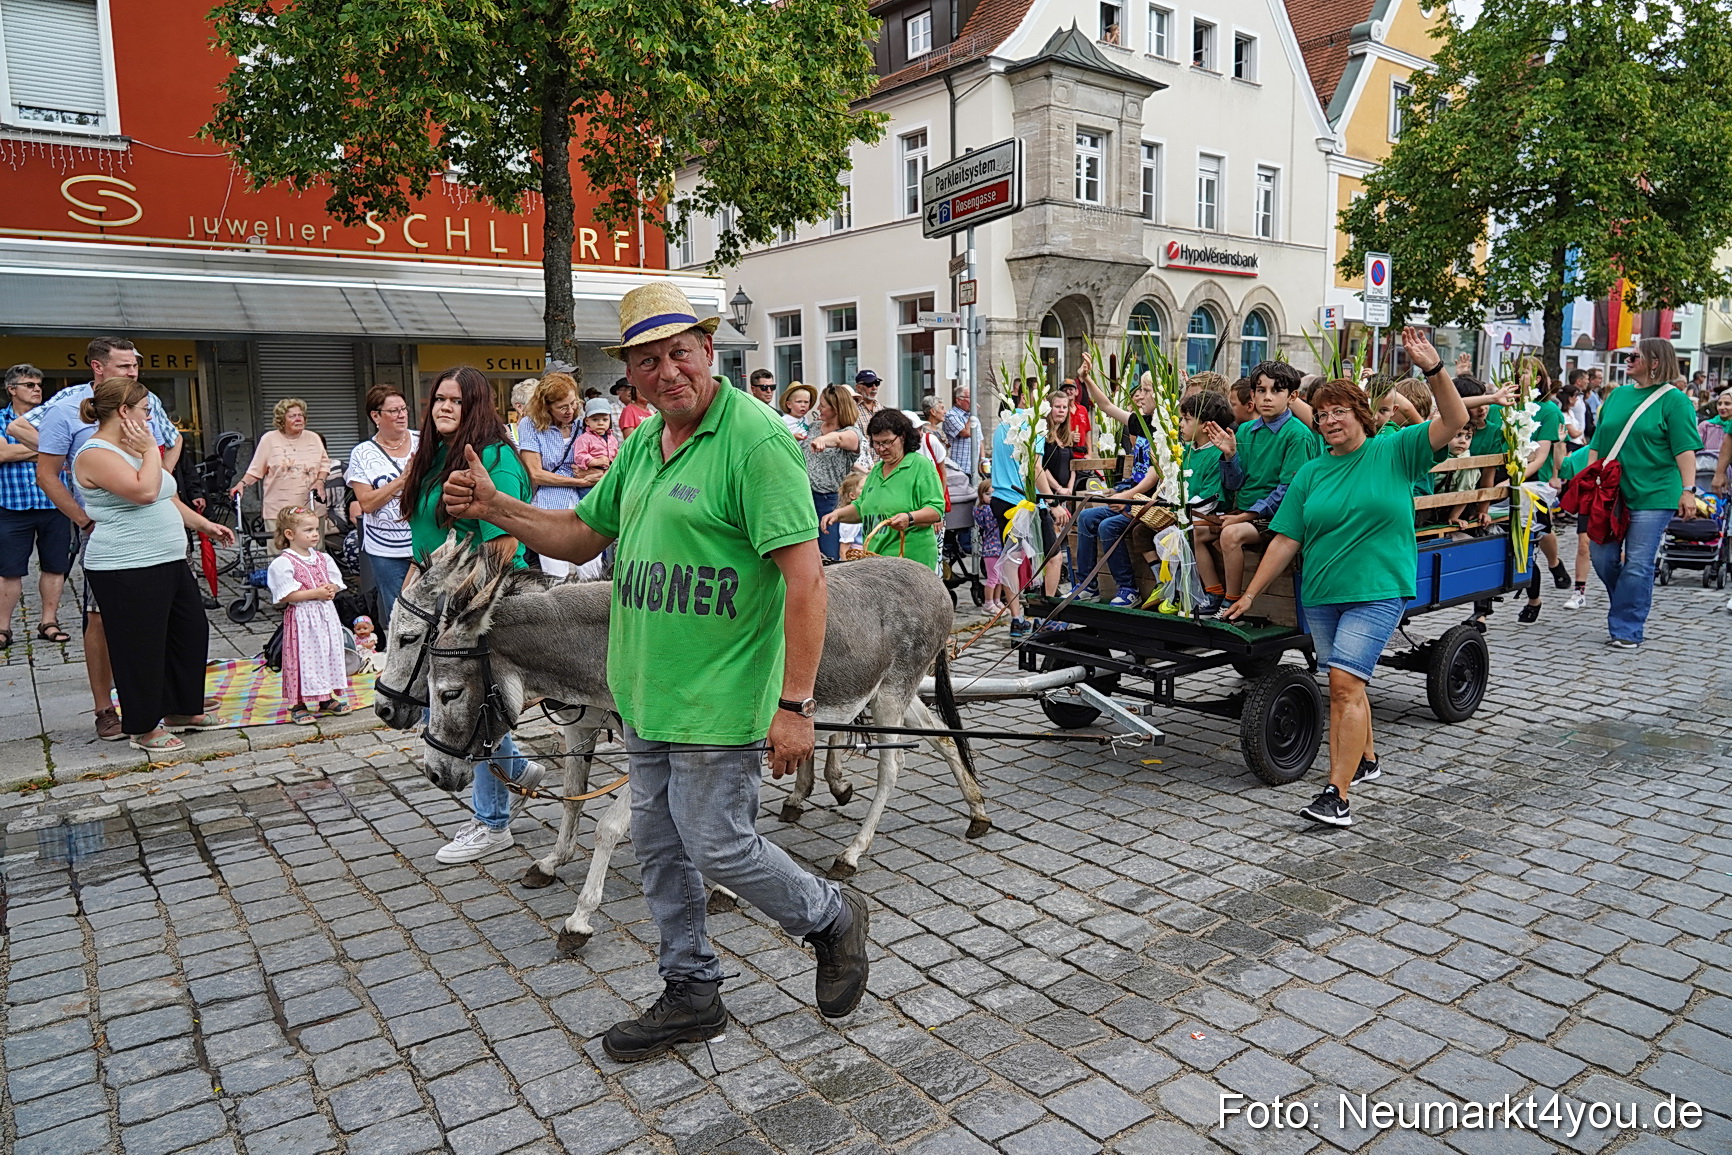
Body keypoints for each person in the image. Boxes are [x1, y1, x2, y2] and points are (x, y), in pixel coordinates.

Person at [440, 281, 868, 1061]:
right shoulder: (642, 445)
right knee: (662, 850)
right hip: (643, 689)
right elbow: (578, 534)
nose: (667, 370)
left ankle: (830, 915)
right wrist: (498, 506)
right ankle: (691, 989)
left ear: (709, 350)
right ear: (631, 373)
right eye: (648, 360)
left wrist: (796, 704)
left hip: (719, 693)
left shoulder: (755, 443)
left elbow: (806, 580)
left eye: (680, 352)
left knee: (719, 845)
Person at [1226, 329, 1468, 827]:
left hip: (1378, 589)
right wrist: (1249, 594)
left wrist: (1434, 369)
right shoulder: (1312, 473)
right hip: (1322, 593)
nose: (1331, 419)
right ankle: (1368, 758)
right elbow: (1286, 539)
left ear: (1361, 414)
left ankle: (1336, 796)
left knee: (1341, 684)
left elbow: (1455, 420)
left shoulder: (1395, 451)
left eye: (1340, 410)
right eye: (1322, 414)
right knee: (1347, 682)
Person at [8, 338, 185, 741]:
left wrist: (161, 477)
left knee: (166, 613)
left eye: (135, 365)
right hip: (105, 523)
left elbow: (172, 440)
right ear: (98, 367)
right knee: (101, 618)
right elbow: (31, 448)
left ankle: (170, 697)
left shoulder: (146, 398)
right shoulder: (67, 403)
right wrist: (83, 516)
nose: (133, 372)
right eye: (124, 366)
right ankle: (105, 708)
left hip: (152, 520)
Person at [402, 365, 543, 862]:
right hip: (437, 602)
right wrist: (410, 605)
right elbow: (424, 543)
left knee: (467, 710)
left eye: (456, 401)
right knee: (431, 703)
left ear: (477, 406)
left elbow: (503, 548)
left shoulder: (494, 459)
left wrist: (461, 616)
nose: (444, 407)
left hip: (483, 605)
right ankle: (518, 769)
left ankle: (492, 823)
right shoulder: (435, 454)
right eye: (439, 398)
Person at [72, 378, 232, 756]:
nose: (150, 418)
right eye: (145, 410)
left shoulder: (135, 448)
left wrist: (203, 524)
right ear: (124, 411)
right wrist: (149, 451)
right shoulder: (95, 453)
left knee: (189, 632)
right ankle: (143, 726)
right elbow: (144, 492)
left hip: (168, 557)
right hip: (126, 565)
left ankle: (182, 708)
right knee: (140, 646)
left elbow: (165, 495)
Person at [1586, 339, 1700, 647]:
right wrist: (1591, 478)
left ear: (1655, 362)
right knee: (1602, 556)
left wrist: (1688, 490)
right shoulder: (1617, 395)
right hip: (1612, 493)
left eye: (1635, 355)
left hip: (1656, 493)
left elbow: (1685, 450)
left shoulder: (1675, 401)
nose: (1628, 359)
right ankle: (1628, 601)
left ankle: (1627, 629)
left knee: (1638, 562)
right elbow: (1597, 442)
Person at [1198, 361, 1319, 612]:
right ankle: (1211, 593)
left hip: (1277, 519)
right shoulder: (1244, 431)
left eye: (1276, 391)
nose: (1267, 397)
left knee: (1231, 534)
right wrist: (1230, 456)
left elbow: (1288, 492)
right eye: (1261, 390)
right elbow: (1234, 483)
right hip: (1245, 512)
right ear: (1252, 395)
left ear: (1292, 396)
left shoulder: (1297, 435)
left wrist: (1246, 516)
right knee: (1193, 529)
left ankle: (1231, 602)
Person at [1076, 361, 1161, 607]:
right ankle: (1087, 585)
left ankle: (1128, 588)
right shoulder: (1142, 422)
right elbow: (1106, 406)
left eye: (1146, 391)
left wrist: (1127, 496)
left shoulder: (1165, 428)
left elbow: (1155, 474)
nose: (1140, 395)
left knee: (1109, 527)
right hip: (1132, 494)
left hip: (1148, 501)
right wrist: (1087, 379)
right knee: (1085, 517)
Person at [820, 409, 945, 572]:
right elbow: (861, 508)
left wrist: (909, 518)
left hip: (910, 565)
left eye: (887, 442)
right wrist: (838, 514)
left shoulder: (920, 466)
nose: (881, 449)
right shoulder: (876, 470)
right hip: (875, 563)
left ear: (903, 437)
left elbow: (935, 510)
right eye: (876, 443)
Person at [0, 365, 71, 649]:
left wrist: (23, 452)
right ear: (11, 389)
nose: (37, 389)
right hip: (11, 505)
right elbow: (2, 453)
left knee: (55, 566)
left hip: (55, 503)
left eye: (39, 384)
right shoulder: (0, 419)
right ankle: (3, 627)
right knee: (9, 570)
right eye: (29, 385)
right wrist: (48, 451)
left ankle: (49, 622)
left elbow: (66, 451)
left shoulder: (53, 418)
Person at [268, 506, 352, 725]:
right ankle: (298, 703)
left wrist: (332, 588)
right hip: (303, 619)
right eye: (308, 530)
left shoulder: (323, 558)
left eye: (316, 529)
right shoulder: (285, 563)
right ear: (290, 534)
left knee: (326, 653)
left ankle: (325, 697)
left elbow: (335, 581)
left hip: (325, 615)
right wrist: (315, 593)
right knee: (302, 657)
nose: (315, 534)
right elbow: (285, 595)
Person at [346, 385, 419, 629]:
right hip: (386, 547)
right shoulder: (362, 453)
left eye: (404, 409)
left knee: (433, 606)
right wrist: (402, 481)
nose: (401, 415)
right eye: (394, 411)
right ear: (375, 416)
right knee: (398, 611)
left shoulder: (424, 442)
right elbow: (366, 503)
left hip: (425, 540)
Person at [516, 372, 590, 578]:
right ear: (546, 407)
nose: (570, 411)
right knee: (556, 572)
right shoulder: (530, 425)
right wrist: (578, 480)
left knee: (591, 569)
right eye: (562, 407)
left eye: (573, 403)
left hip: (585, 499)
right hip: (549, 503)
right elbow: (535, 473)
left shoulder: (582, 422)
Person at [232, 397, 331, 526]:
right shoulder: (269, 440)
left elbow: (324, 465)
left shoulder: (314, 438)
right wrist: (242, 484)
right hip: (279, 511)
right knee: (280, 540)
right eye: (292, 416)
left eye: (300, 415)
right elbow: (256, 470)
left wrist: (320, 481)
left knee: (313, 539)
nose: (298, 419)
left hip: (311, 509)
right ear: (282, 420)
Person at [804, 384, 861, 561]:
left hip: (829, 500)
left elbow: (838, 439)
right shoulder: (815, 426)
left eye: (822, 405)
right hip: (805, 497)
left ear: (836, 408)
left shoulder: (852, 433)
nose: (818, 408)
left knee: (829, 556)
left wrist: (823, 440)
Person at [973, 477, 1009, 614]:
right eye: (987, 494)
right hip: (991, 549)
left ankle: (997, 600)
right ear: (981, 496)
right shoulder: (985, 510)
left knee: (999, 578)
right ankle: (988, 603)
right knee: (993, 578)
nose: (991, 497)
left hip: (999, 547)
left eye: (994, 494)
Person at [941, 387, 984, 481]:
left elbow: (979, 439)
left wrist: (983, 459)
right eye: (970, 397)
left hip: (972, 468)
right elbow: (966, 433)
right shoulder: (951, 416)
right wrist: (973, 414)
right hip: (958, 468)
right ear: (959, 400)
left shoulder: (972, 417)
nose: (973, 401)